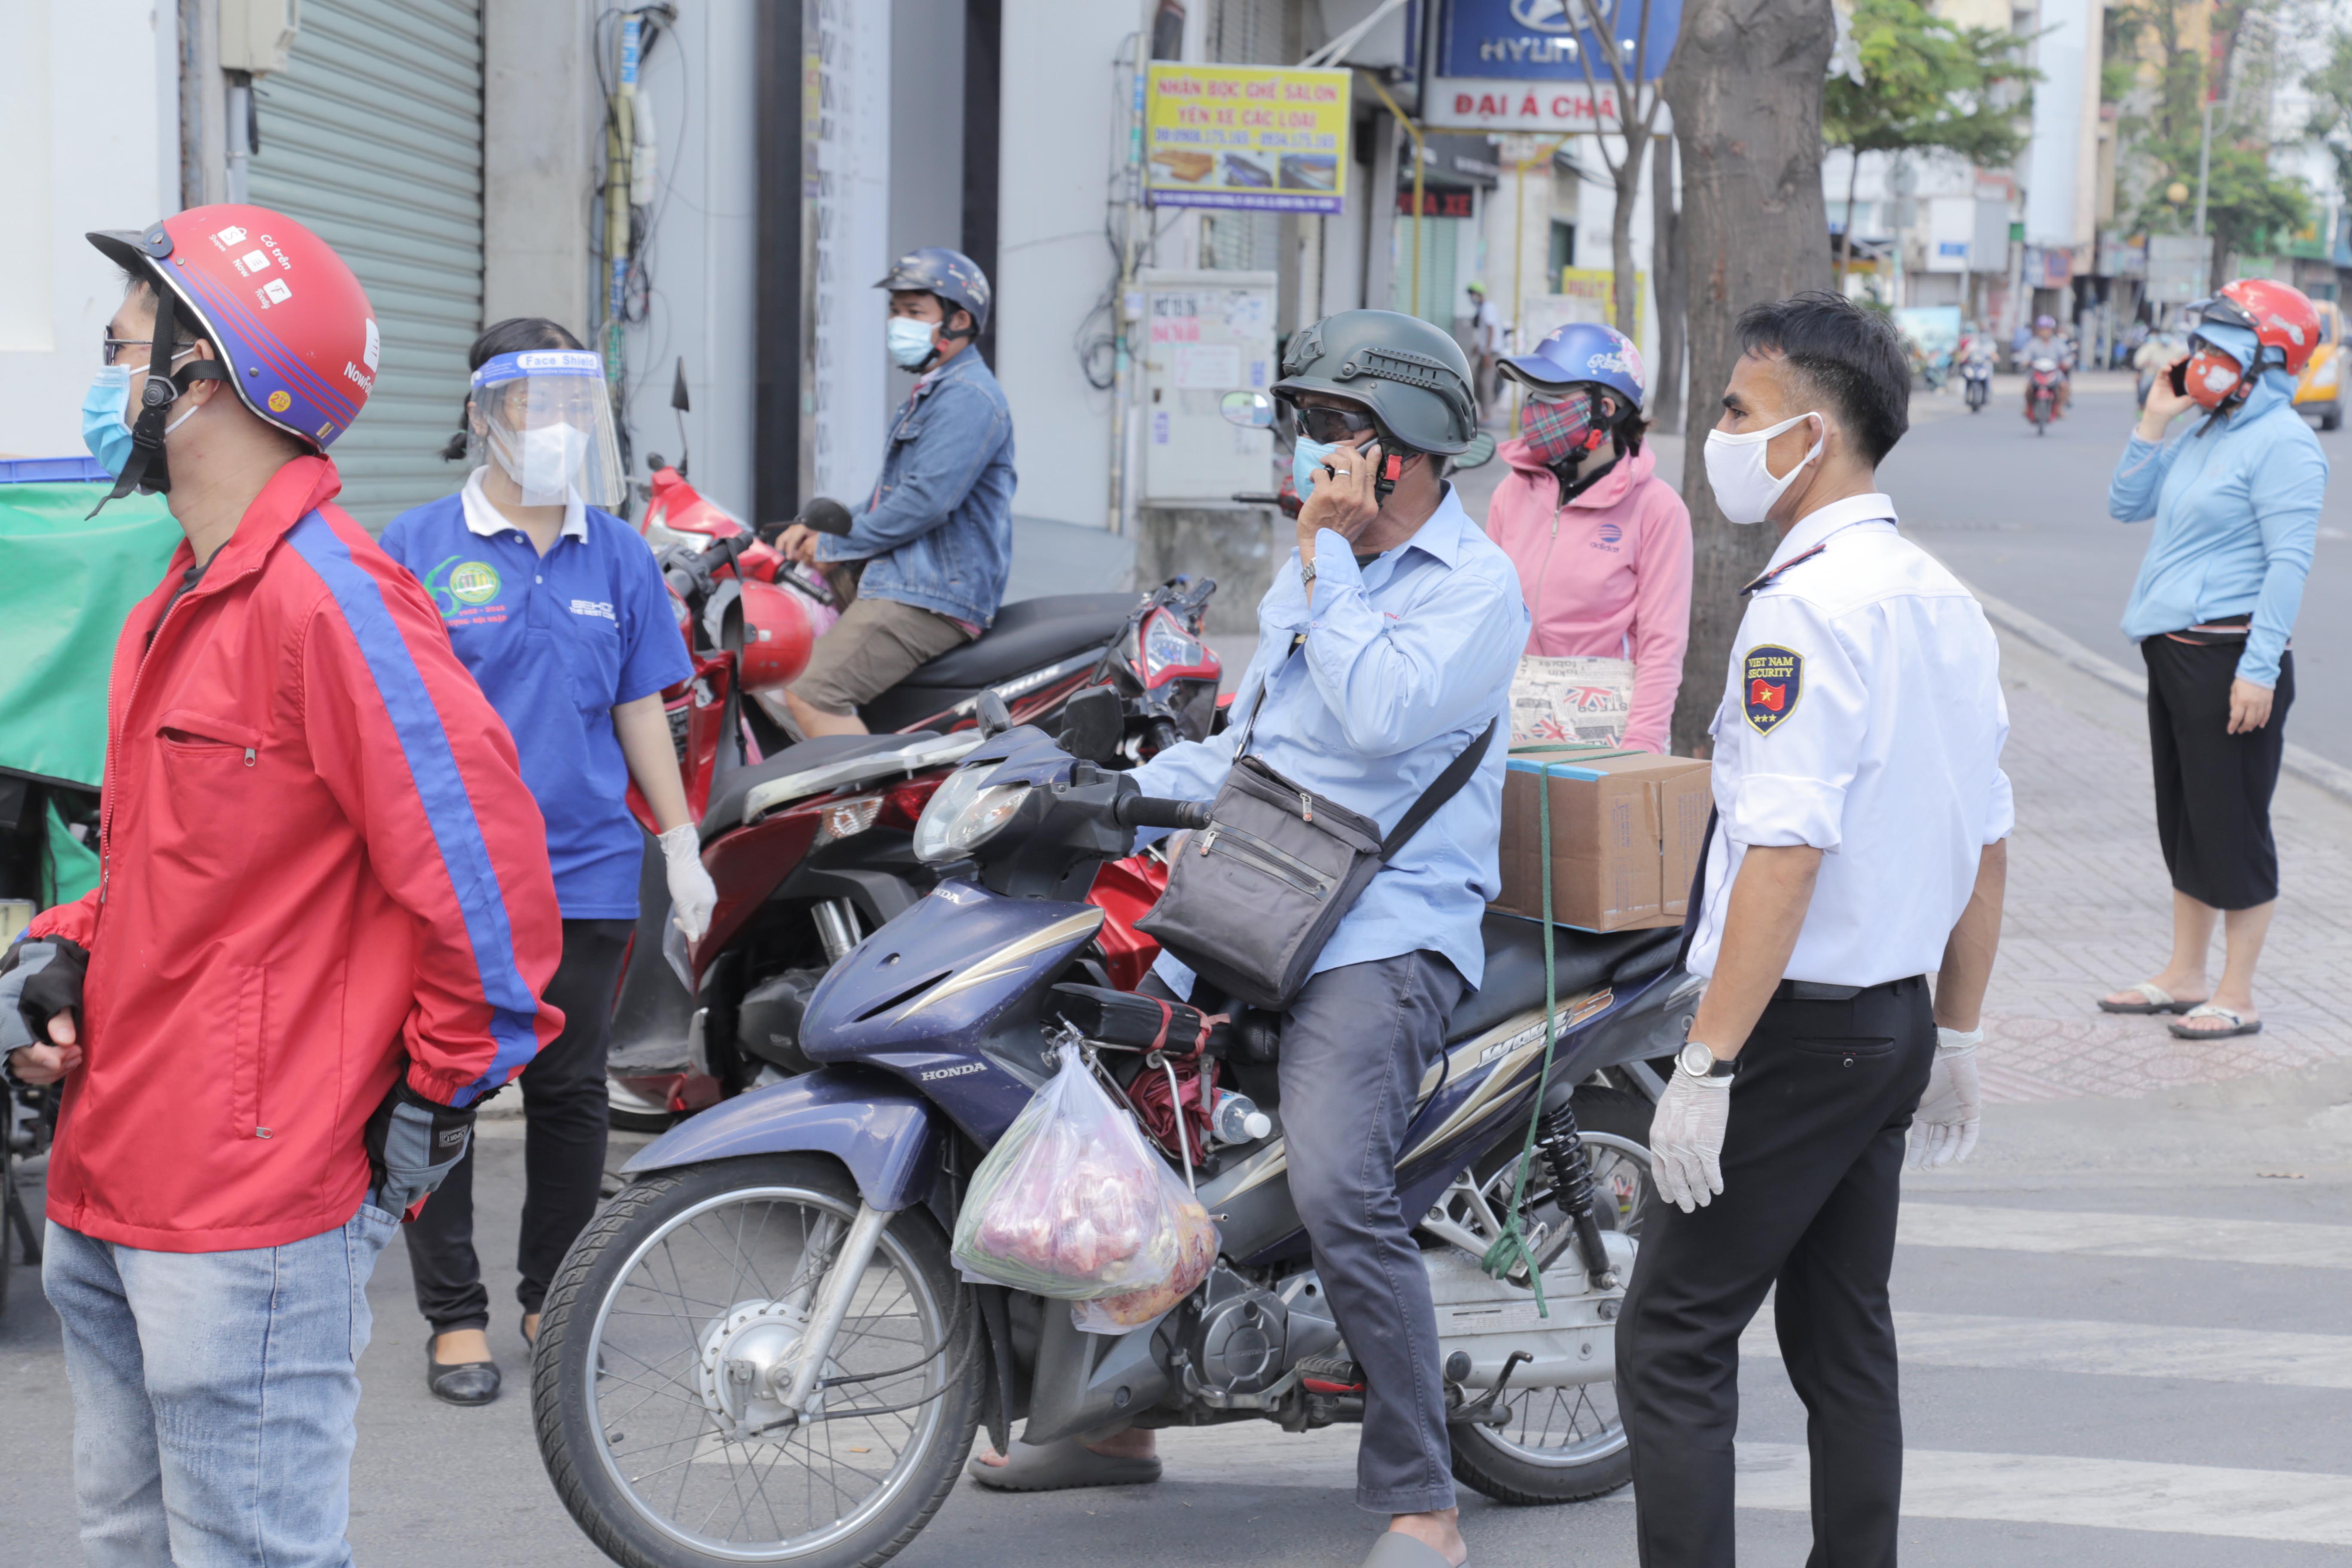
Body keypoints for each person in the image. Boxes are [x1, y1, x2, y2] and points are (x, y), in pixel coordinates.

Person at [0, 205, 563, 1564]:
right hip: (109, 1182)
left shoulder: (337, 606)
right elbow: (173, 871)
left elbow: (487, 893)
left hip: (248, 1213)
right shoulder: (174, 601)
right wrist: (65, 952)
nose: (106, 377)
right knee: (129, 1543)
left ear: (215, 379)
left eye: (126, 346)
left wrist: (428, 1104)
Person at [972, 309, 1523, 1568]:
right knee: (1071, 1129)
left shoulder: (1479, 590)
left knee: (1339, 1183)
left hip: (1383, 933)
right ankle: (1104, 1421)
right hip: (1252, 894)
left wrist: (1327, 561)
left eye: (1346, 432)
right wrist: (1108, 788)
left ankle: (1422, 1495)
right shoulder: (1315, 568)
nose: (1319, 456)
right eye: (1315, 428)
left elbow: (1380, 717)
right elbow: (1260, 742)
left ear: (1415, 449)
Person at [1617, 291, 2011, 1568]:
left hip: (1796, 1033)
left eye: (1738, 410)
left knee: (1671, 1339)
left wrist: (1706, 1064)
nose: (1719, 434)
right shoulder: (1942, 599)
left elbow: (1783, 857)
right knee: (1846, 1344)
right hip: (1888, 1023)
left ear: (1812, 436)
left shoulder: (1806, 609)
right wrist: (1955, 1031)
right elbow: (1986, 842)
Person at [377, 318, 711, 1404]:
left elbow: (640, 706)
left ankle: (550, 1298)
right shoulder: (417, 545)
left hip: (587, 867)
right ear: (483, 416)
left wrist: (679, 838)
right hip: (456, 875)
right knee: (449, 1085)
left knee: (572, 1095)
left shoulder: (613, 550)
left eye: (578, 407)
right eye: (537, 406)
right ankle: (455, 1318)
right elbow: (380, 713)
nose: (560, 428)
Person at [2096, 279, 2327, 1040]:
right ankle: (2183, 973)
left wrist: (2259, 669)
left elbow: (2288, 565)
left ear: (2266, 360)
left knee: (2232, 826)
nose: (2196, 360)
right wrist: (2155, 422)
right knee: (2186, 823)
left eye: (2217, 349)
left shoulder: (2284, 443)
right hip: (2174, 656)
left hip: (2230, 661)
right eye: (2197, 345)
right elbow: (2125, 506)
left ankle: (2237, 991)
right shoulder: (2203, 428)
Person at [771, 247, 1015, 737]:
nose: (897, 323)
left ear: (959, 321)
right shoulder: (936, 391)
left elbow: (925, 502)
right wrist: (821, 529)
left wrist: (837, 545)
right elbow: (891, 500)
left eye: (914, 312)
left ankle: (851, 813)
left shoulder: (968, 397)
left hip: (932, 597)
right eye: (895, 311)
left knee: (810, 690)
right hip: (907, 580)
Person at [1484, 320, 1692, 751]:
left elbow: (1662, 646)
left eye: (1554, 396)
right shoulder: (1511, 491)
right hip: (1510, 716)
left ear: (1608, 409)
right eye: (1533, 394)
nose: (1536, 409)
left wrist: (1641, 748)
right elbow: (1487, 615)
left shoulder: (1657, 508)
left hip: (1608, 723)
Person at [1467, 279, 1505, 419]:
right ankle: (1485, 409)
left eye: (1473, 294)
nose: (1472, 297)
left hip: (1492, 353)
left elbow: (1491, 330)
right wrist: (1479, 346)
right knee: (1476, 382)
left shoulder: (1488, 308)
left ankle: (1487, 414)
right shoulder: (1482, 308)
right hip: (1485, 352)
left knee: (1485, 383)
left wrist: (1487, 352)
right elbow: (1484, 333)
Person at [2022, 312, 2072, 417]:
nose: (2045, 332)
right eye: (2042, 329)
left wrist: (2067, 363)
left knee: (2064, 386)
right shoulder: (2033, 344)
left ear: (2051, 330)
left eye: (2047, 329)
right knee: (2029, 388)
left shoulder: (2058, 343)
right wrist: (2026, 362)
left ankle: (2059, 407)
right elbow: (2025, 356)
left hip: (2054, 372)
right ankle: (2028, 407)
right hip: (2037, 372)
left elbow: (2067, 356)